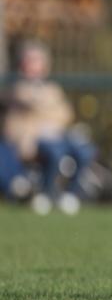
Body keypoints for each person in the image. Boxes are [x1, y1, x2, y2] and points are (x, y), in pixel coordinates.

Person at [2, 40, 95, 214]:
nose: (34, 66)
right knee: (55, 152)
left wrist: (47, 114)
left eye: (37, 61)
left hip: (56, 135)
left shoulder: (52, 88)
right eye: (30, 61)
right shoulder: (16, 87)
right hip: (32, 141)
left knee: (85, 151)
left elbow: (65, 114)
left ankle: (72, 194)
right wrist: (47, 111)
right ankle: (46, 193)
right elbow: (29, 103)